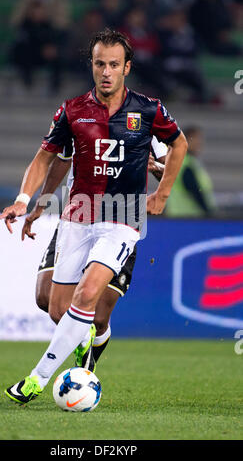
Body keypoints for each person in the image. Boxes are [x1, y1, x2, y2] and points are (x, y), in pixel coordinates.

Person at [0, 28, 188, 404]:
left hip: (123, 218)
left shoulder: (148, 110)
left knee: (87, 297)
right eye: (100, 64)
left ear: (126, 68)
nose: (106, 71)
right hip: (78, 216)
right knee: (56, 308)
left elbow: (178, 144)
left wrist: (162, 191)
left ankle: (36, 379)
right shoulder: (72, 111)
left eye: (113, 65)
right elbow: (47, 156)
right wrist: (26, 200)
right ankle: (83, 335)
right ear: (92, 65)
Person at [21, 137, 168, 372]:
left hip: (121, 222)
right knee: (46, 299)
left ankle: (83, 373)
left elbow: (170, 170)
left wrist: (156, 168)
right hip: (77, 220)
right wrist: (41, 203)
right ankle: (81, 356)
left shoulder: (145, 119)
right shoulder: (77, 115)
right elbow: (61, 159)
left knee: (98, 319)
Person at [165, 125, 216, 217]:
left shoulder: (186, 161)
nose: (199, 142)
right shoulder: (185, 164)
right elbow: (194, 190)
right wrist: (209, 212)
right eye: (195, 139)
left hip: (180, 217)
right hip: (189, 218)